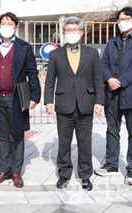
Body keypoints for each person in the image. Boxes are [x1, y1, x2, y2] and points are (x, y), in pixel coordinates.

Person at [0, 12, 41, 188]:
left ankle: (16, 171)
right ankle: (4, 170)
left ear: (15, 27)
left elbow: (32, 73)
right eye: (3, 23)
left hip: (17, 98)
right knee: (1, 134)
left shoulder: (24, 47)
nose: (6, 26)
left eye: (10, 23)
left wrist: (35, 96)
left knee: (17, 134)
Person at [44, 16, 104, 191]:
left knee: (85, 142)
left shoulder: (92, 53)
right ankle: (64, 175)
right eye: (68, 30)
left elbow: (98, 79)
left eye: (74, 30)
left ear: (82, 32)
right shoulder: (55, 54)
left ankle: (85, 175)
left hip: (86, 102)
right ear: (63, 33)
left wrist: (99, 101)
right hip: (64, 104)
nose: (71, 33)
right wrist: (48, 100)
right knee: (64, 142)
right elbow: (50, 80)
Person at [94, 7, 132, 186]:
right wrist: (110, 78)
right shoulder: (112, 42)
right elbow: (103, 63)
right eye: (120, 18)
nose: (123, 21)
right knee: (112, 130)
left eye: (127, 18)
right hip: (112, 94)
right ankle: (112, 165)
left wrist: (121, 81)